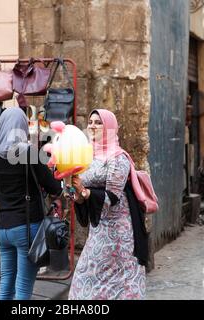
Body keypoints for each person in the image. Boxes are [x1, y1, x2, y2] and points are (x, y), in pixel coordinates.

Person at [67, 109, 148, 300]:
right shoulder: (86, 156)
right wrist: (77, 195)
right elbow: (80, 194)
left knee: (117, 281)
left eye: (98, 122)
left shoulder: (118, 158)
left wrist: (85, 192)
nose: (92, 126)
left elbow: (113, 197)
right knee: (87, 277)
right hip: (99, 228)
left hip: (119, 233)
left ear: (109, 128)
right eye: (90, 121)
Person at [0, 107, 62, 300]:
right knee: (23, 289)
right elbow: (54, 187)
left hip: (3, 227)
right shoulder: (29, 153)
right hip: (27, 227)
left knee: (6, 284)